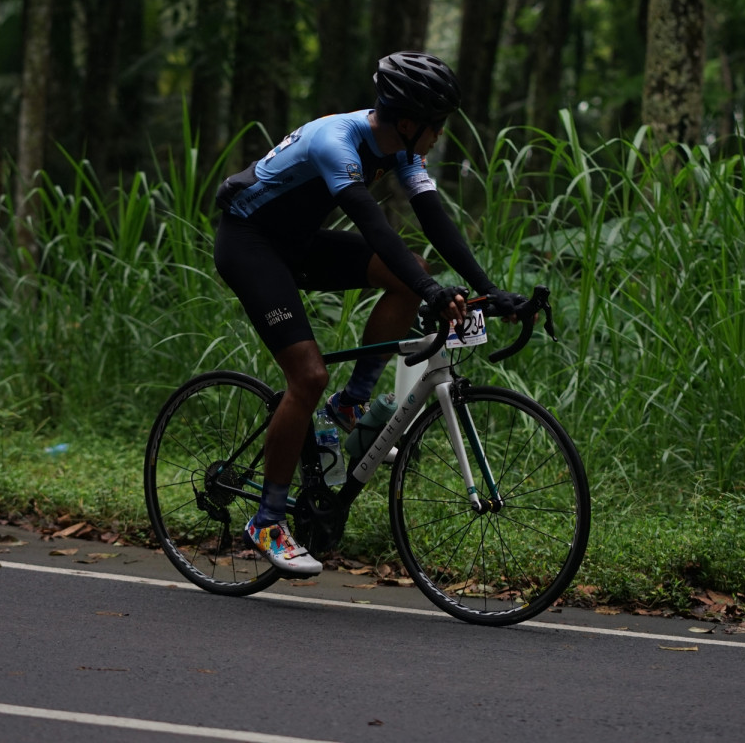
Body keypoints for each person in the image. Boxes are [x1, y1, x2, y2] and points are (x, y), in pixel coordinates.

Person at [213, 51, 521, 574]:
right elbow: (373, 226)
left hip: (298, 242)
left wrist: (490, 290)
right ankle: (267, 522)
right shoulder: (336, 140)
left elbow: (435, 220)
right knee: (308, 376)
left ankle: (351, 404)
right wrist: (432, 292)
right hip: (249, 243)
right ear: (409, 122)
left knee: (410, 271)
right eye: (437, 124)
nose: (440, 135)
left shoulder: (402, 150)